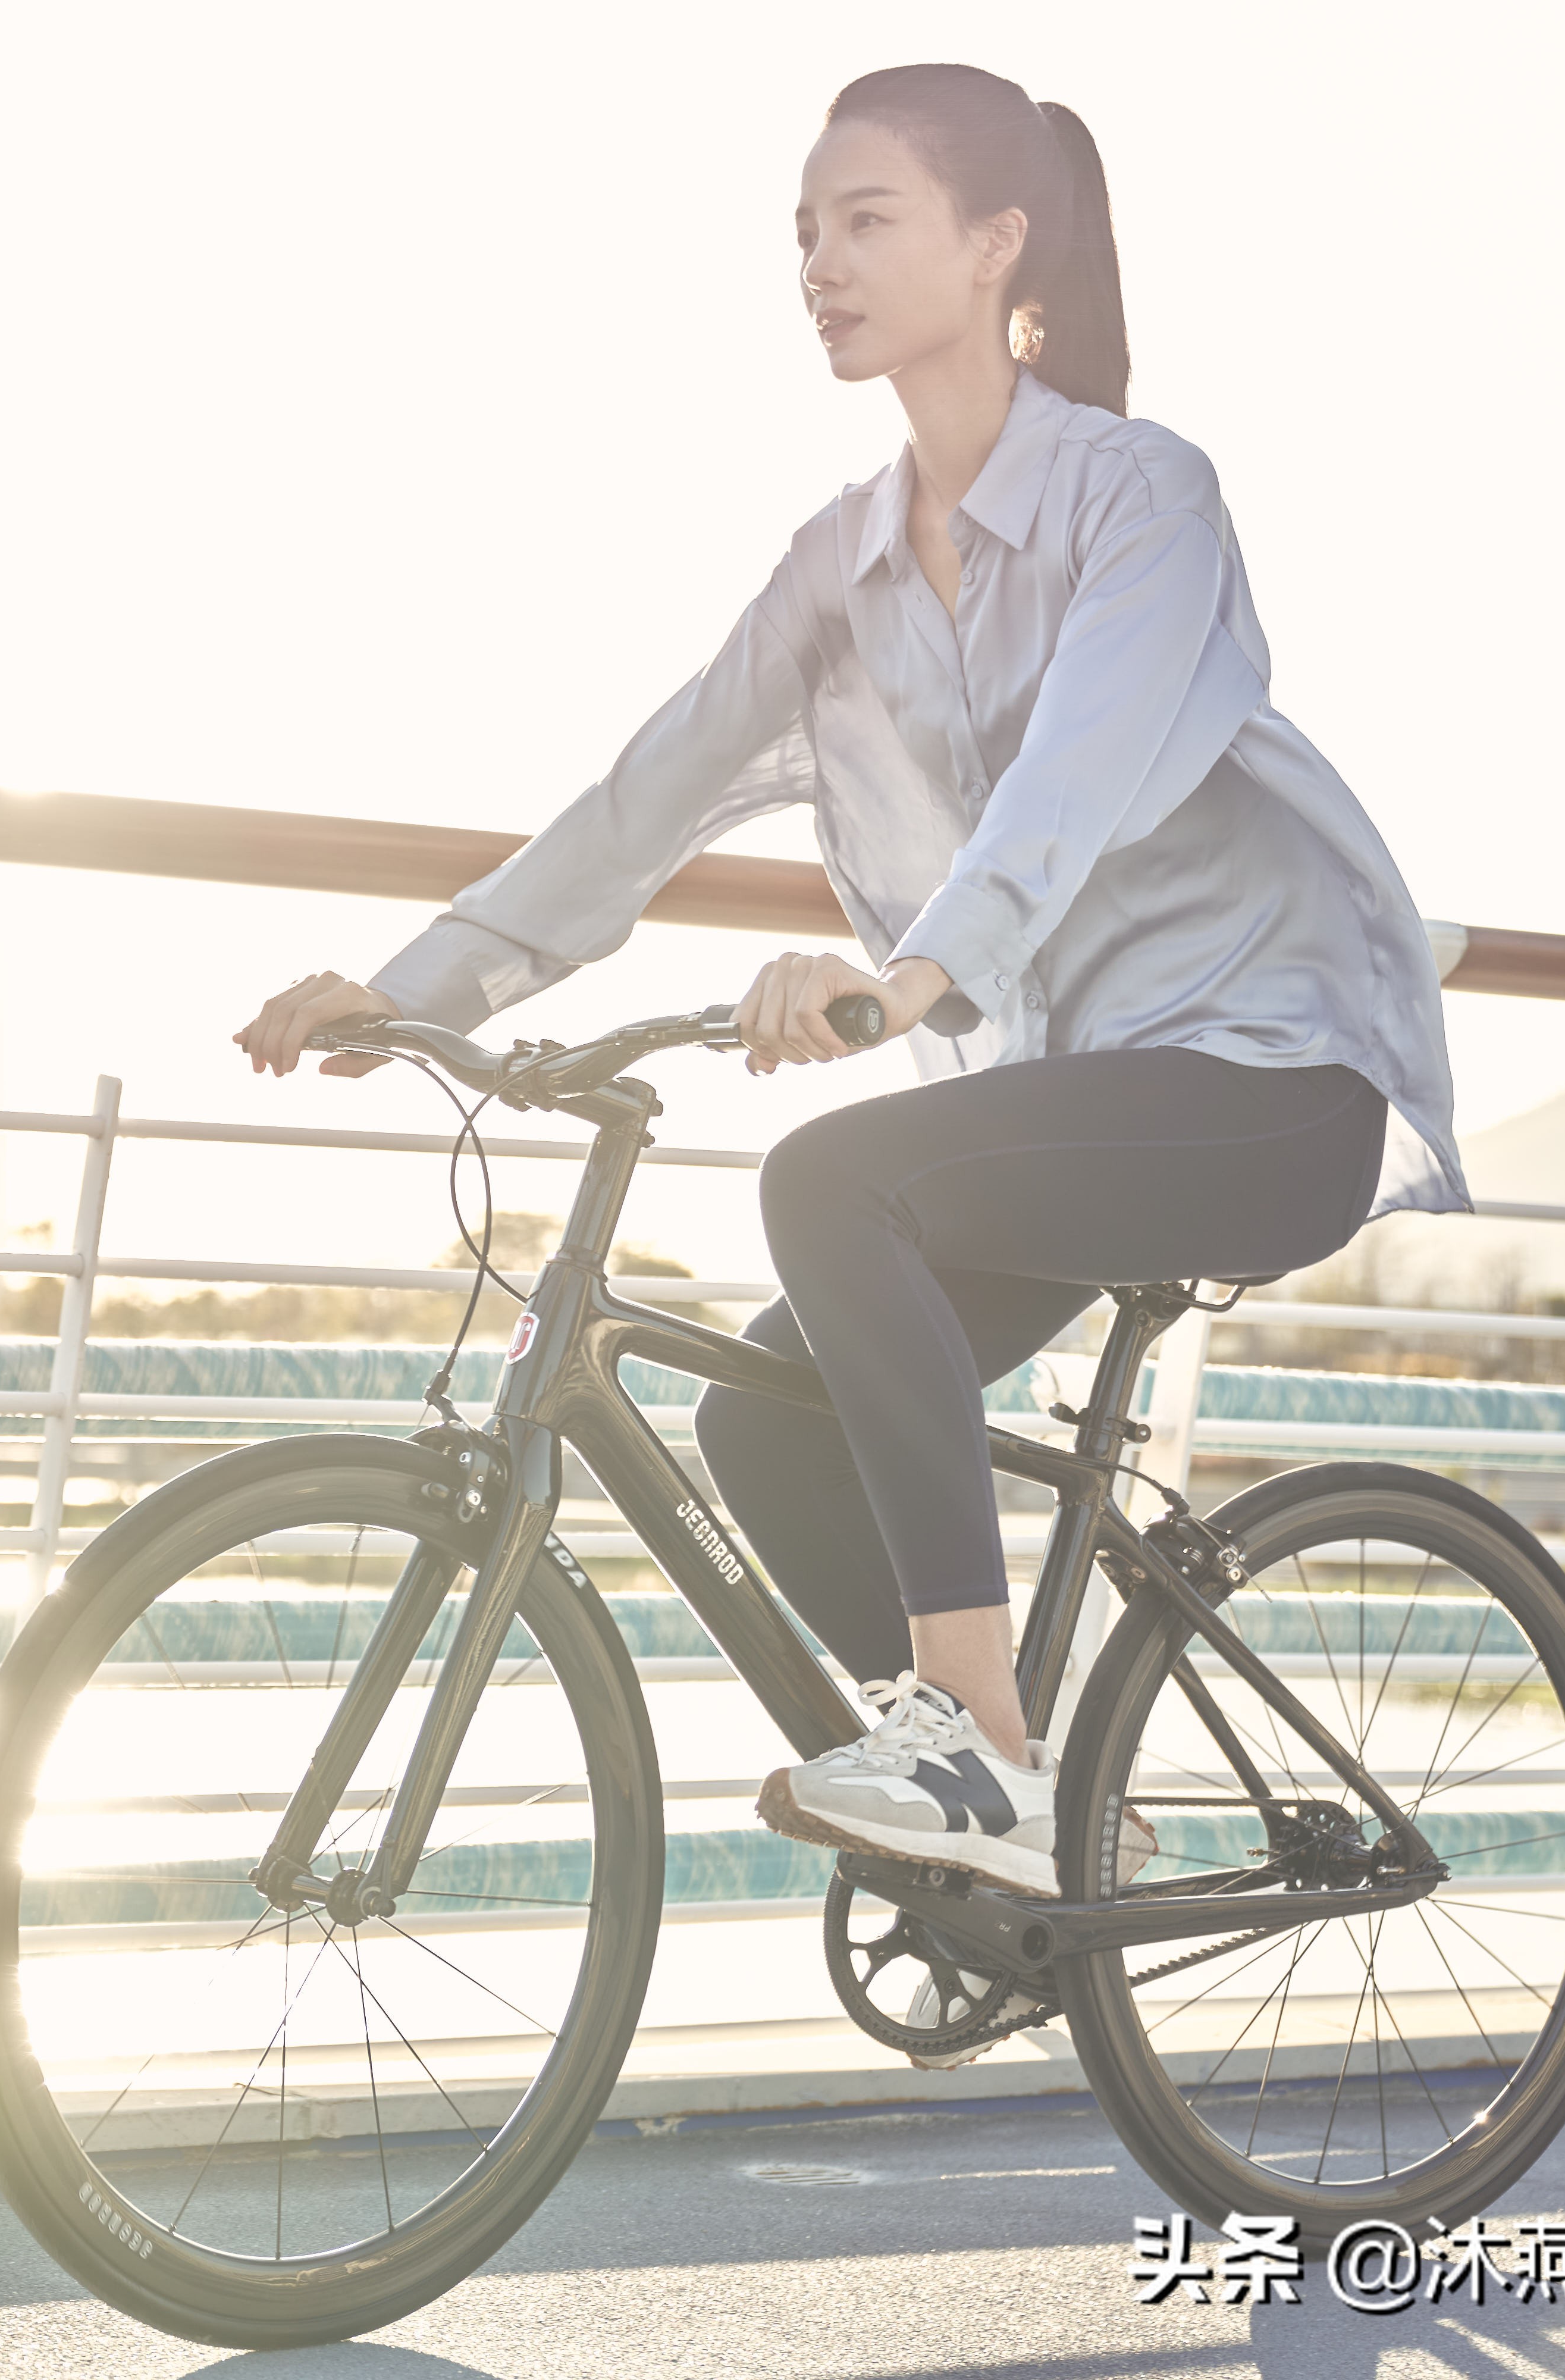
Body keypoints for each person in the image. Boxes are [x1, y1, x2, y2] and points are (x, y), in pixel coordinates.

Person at [231, 62, 1461, 1902]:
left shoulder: (1147, 501)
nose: (819, 259)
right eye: (804, 229)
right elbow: (642, 795)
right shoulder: (845, 562)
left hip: (1267, 1091)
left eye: (865, 218)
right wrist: (421, 990)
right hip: (1072, 1114)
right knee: (756, 1415)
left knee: (834, 1178)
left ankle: (971, 1748)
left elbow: (1071, 791)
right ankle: (1052, 1800)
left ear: (994, 246)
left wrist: (904, 981)